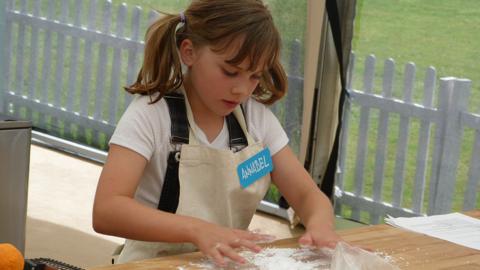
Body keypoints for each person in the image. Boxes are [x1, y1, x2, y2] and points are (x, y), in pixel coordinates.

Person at [92, 0, 341, 266]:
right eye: (230, 72)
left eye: (255, 76)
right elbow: (107, 210)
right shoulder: (150, 115)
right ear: (189, 52)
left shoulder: (255, 120)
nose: (242, 90)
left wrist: (320, 225)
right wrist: (196, 229)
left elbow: (307, 196)